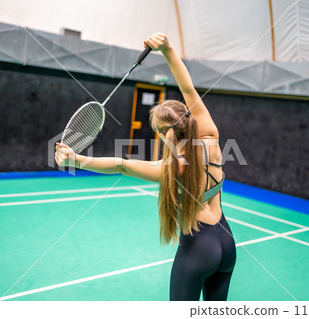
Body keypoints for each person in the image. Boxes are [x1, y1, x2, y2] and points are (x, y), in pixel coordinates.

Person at [55, 32, 236, 301]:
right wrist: (167, 49)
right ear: (188, 118)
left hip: (199, 249)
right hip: (227, 243)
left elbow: (122, 166)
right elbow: (188, 89)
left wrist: (77, 160)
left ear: (164, 133)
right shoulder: (211, 136)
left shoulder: (172, 171)